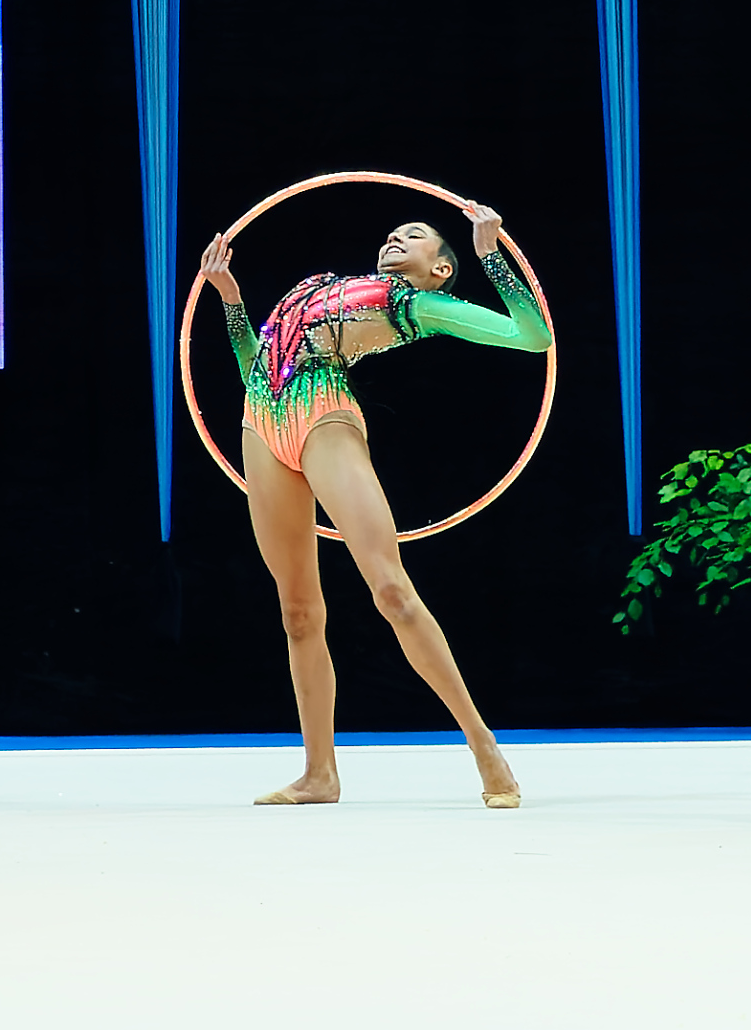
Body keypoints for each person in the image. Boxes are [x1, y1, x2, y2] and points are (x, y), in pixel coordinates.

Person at [198, 204, 548, 808]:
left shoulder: (419, 304)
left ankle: (484, 747)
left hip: (324, 417)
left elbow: (533, 336)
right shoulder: (315, 283)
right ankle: (319, 774)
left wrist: (490, 253)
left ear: (440, 269)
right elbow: (256, 366)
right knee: (297, 612)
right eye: (392, 232)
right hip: (260, 422)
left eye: (414, 236)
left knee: (390, 590)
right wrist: (230, 298)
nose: (395, 237)